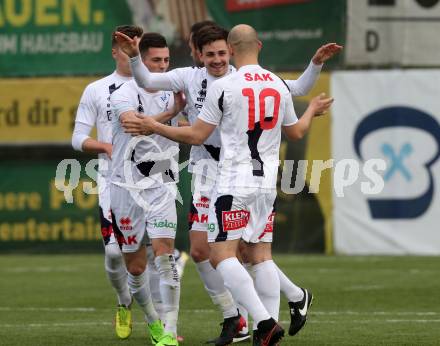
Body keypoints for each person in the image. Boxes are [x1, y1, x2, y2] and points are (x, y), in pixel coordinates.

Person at [115, 23, 341, 345]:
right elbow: (296, 131)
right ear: (258, 45)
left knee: (222, 255)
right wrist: (314, 97)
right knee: (258, 255)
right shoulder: (274, 83)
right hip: (264, 182)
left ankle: (260, 321)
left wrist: (153, 124)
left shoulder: (227, 86)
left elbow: (195, 135)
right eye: (210, 54)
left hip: (232, 180)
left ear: (232, 51)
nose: (217, 58)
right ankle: (268, 317)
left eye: (222, 52)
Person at [110, 32, 185, 346]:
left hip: (162, 182)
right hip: (126, 185)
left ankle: (167, 330)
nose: (163, 66)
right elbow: (134, 126)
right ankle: (152, 320)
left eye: (166, 60)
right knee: (136, 266)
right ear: (140, 60)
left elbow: (190, 127)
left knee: (165, 255)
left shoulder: (176, 91)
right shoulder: (123, 93)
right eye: (156, 60)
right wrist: (170, 115)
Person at [71, 25, 142, 340]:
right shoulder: (97, 89)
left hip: (152, 184)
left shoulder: (155, 85)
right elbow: (77, 139)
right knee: (115, 255)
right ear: (114, 51)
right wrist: (105, 146)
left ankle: (165, 325)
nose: (131, 53)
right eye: (125, 48)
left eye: (136, 47)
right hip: (112, 185)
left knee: (149, 256)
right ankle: (123, 300)